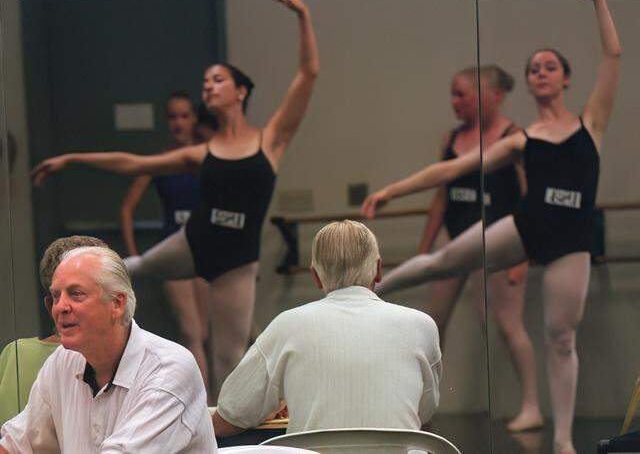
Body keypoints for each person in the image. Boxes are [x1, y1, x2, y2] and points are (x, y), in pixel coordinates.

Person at [361, 0, 620, 452]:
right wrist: (390, 191)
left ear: (566, 78)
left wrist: (598, 0)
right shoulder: (521, 140)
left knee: (561, 337)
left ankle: (562, 440)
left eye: (549, 66)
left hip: (571, 241)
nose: (540, 72)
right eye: (533, 68)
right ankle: (368, 290)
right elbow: (450, 171)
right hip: (525, 227)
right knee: (440, 262)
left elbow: (613, 56)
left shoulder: (590, 124)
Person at [31, 0, 319, 401]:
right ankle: (66, 320)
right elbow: (134, 164)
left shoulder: (270, 140)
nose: (208, 86)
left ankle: (219, 435)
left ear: (240, 91)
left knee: (228, 359)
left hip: (237, 260)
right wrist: (73, 158)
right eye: (205, 82)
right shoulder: (201, 153)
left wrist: (303, 16)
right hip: (194, 241)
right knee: (129, 267)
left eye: (217, 79)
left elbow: (308, 73)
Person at [212, 220, 442, 436]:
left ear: (316, 277)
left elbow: (232, 414)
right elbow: (424, 411)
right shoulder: (422, 326)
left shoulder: (286, 325)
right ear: (379, 269)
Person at [416, 65, 542, 432]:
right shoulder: (451, 138)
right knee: (431, 321)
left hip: (499, 242)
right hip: (454, 239)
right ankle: (423, 403)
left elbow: (529, 196)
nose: (455, 102)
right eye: (452, 94)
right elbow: (440, 198)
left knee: (504, 323)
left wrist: (524, 256)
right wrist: (425, 252)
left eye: (462, 94)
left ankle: (531, 405)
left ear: (493, 95)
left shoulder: (514, 136)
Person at [0, 246, 216, 453]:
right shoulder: (63, 360)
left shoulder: (168, 370)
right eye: (56, 296)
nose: (60, 307)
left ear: (117, 303)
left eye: (76, 294)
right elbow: (17, 444)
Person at [119, 91, 211, 392]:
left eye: (184, 115)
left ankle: (212, 402)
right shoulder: (162, 161)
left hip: (205, 252)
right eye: (173, 116)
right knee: (192, 333)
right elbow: (127, 208)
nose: (178, 122)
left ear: (195, 119)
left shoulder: (207, 157)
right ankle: (204, 405)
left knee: (207, 334)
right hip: (172, 251)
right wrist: (136, 260)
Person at [0, 235, 108, 425]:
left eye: (77, 294)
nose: (65, 306)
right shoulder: (18, 355)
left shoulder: (18, 354)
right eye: (60, 295)